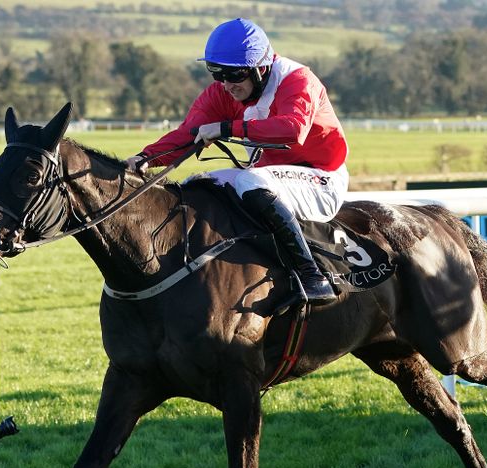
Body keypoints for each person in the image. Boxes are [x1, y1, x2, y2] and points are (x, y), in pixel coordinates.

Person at [126, 18, 349, 306]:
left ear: (261, 66)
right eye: (216, 74)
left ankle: (312, 275)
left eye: (234, 75)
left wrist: (226, 128)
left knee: (247, 180)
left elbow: (292, 130)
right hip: (272, 176)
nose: (226, 84)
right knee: (197, 183)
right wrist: (146, 158)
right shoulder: (222, 93)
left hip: (321, 179)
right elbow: (188, 133)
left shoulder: (298, 80)